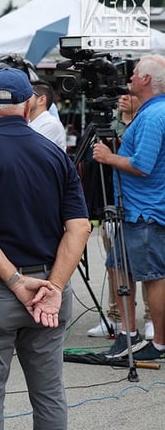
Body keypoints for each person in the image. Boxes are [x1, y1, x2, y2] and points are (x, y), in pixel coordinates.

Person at [0, 68, 90, 430]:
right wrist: (56, 286)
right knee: (49, 395)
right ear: (30, 104)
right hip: (48, 287)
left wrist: (15, 282)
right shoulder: (54, 154)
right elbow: (80, 227)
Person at [93, 54, 165, 361]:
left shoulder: (152, 116)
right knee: (117, 266)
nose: (128, 79)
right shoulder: (149, 112)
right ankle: (127, 332)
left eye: (134, 74)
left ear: (147, 80)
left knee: (152, 275)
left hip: (145, 211)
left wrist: (109, 158)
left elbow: (142, 165)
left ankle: (159, 343)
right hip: (134, 210)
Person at [86, 93, 153, 342]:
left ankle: (150, 319)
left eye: (130, 94)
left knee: (147, 266)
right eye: (120, 94)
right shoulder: (108, 123)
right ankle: (114, 317)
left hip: (140, 205)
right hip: (111, 203)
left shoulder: (147, 121)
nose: (124, 98)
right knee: (115, 265)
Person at [28, 81, 67, 150]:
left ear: (41, 100)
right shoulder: (29, 122)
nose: (24, 98)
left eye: (28, 94)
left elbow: (30, 150)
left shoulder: (51, 124)